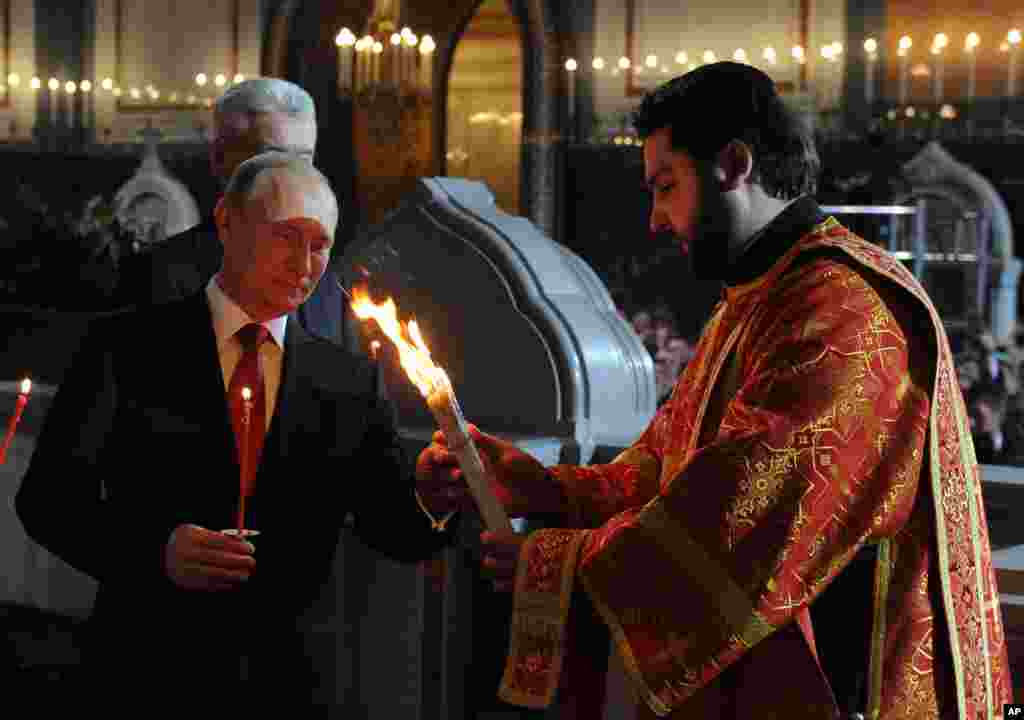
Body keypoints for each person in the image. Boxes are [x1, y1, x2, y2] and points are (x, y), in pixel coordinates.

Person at [417, 63, 1011, 718]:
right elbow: (662, 472)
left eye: (666, 187)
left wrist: (554, 560)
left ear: (732, 164)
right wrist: (535, 486)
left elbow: (739, 522)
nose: (653, 219)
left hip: (840, 687)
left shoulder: (841, 310)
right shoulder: (758, 299)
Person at [16, 152, 463, 711]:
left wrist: (434, 498)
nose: (305, 262)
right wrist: (156, 551)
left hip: (287, 681)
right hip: (141, 672)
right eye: (286, 236)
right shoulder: (123, 348)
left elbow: (390, 528)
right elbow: (47, 500)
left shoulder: (348, 380)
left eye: (320, 244)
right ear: (226, 223)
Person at [116, 77, 349, 347]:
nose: (293, 177)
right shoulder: (155, 276)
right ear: (219, 160)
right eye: (271, 159)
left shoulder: (331, 290)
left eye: (304, 160)